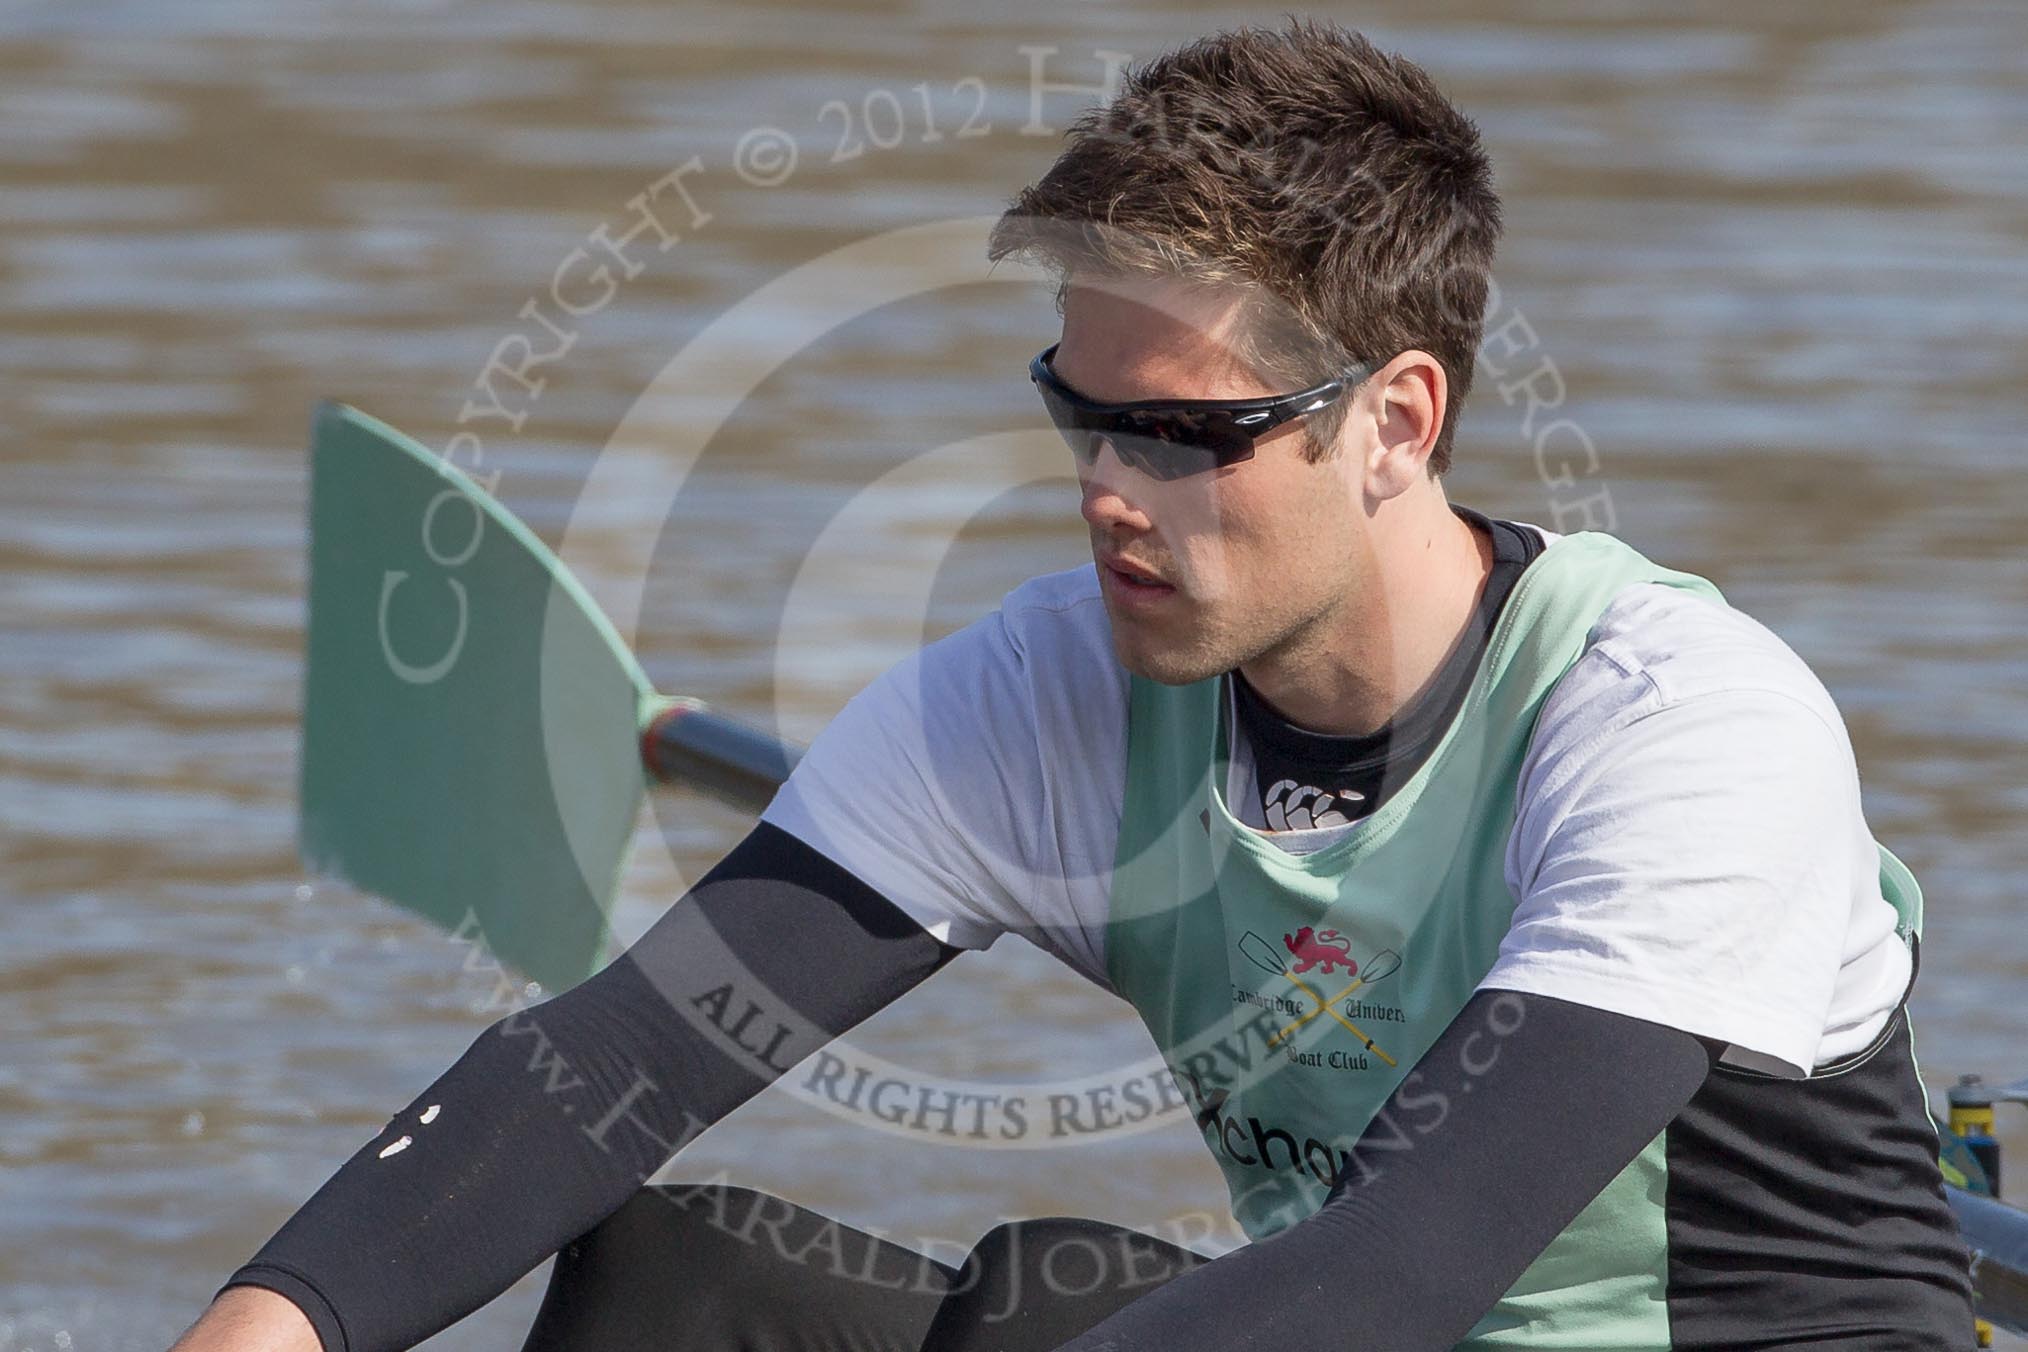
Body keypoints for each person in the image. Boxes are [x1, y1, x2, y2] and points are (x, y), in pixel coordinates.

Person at [170, 20, 1974, 1352]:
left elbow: (1404, 1270)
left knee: (1047, 1302)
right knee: (680, 1282)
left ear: (1393, 424)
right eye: (1078, 410)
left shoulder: (1681, 730)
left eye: (1183, 434)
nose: (1108, 489)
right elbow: (606, 1072)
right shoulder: (1065, 688)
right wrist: (271, 1324)